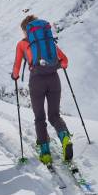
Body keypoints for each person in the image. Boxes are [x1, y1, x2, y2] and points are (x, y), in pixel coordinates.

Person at [11, 15, 72, 165]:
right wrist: (56, 65)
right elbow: (65, 61)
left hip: (37, 82)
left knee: (40, 117)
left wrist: (14, 76)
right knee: (54, 115)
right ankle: (64, 137)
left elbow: (16, 69)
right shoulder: (48, 42)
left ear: (26, 30)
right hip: (54, 80)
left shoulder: (22, 44)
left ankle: (45, 153)